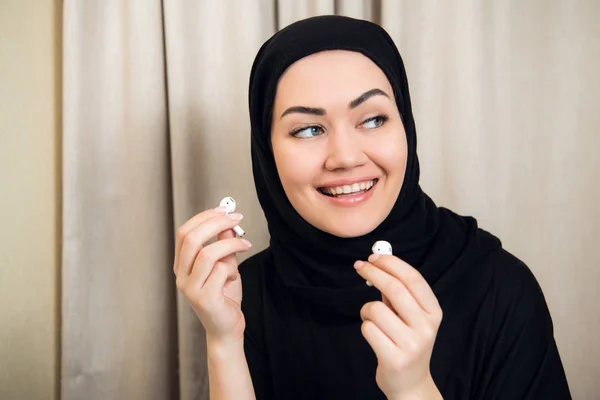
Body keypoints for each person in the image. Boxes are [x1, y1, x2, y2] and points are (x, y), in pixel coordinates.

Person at [173, 15, 571, 400]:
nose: (345, 157)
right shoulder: (245, 295)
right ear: (266, 151)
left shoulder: (500, 288)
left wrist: (413, 389)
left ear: (406, 128)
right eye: (309, 129)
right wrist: (223, 340)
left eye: (374, 119)